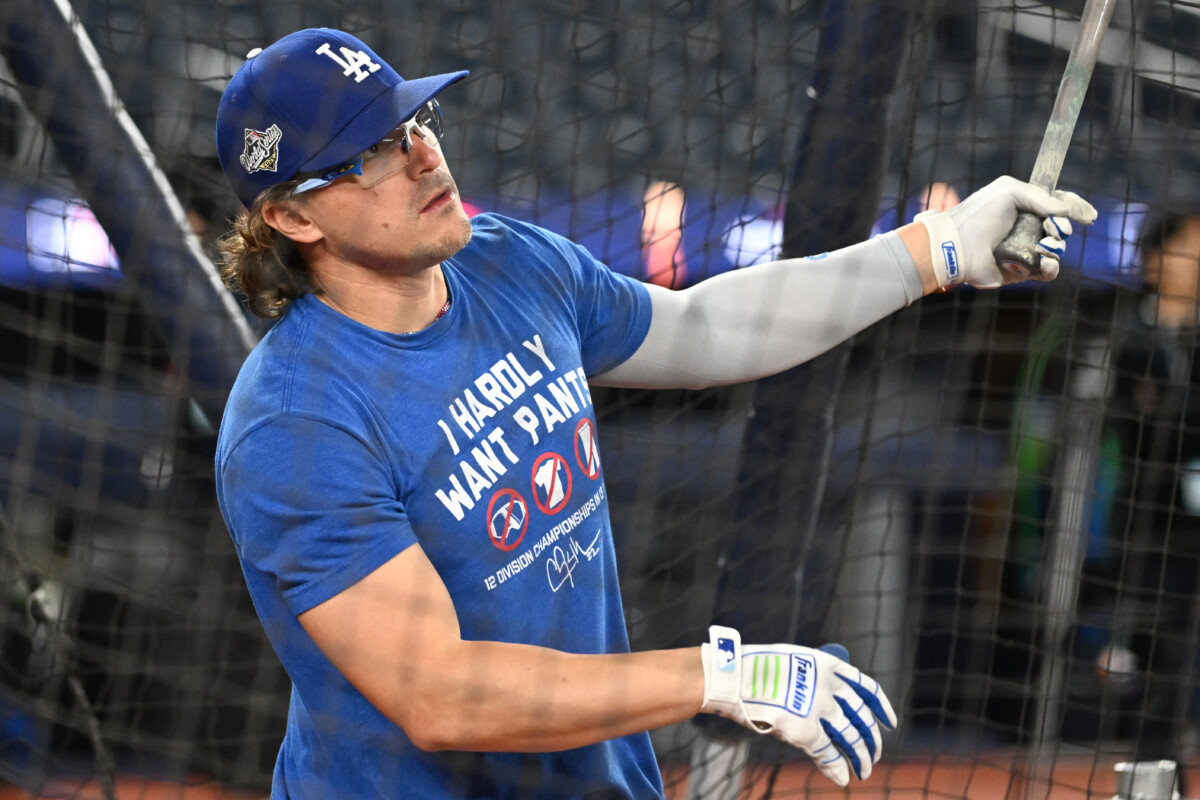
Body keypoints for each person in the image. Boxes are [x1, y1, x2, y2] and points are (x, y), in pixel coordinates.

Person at [211, 27, 1096, 800]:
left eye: (415, 125)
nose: (423, 158)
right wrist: (725, 676)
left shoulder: (508, 263)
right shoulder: (296, 423)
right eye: (372, 152)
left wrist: (937, 248)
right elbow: (440, 693)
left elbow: (705, 327)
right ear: (291, 215)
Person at [1088, 211, 1200, 788]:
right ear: (1155, 261)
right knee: (1157, 669)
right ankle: (1156, 785)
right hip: (1152, 530)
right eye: (1189, 249)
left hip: (1192, 523)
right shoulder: (1132, 340)